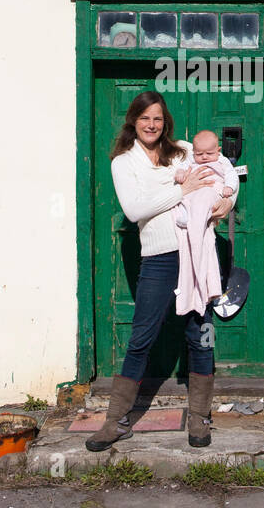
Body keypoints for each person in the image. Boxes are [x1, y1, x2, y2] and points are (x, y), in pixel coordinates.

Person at [87, 92, 234, 451]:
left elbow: (223, 170)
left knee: (200, 334)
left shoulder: (184, 150)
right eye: (144, 119)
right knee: (141, 337)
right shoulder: (124, 162)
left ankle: (199, 419)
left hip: (197, 254)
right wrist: (181, 190)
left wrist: (226, 201)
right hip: (158, 257)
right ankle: (115, 421)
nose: (151, 125)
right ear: (133, 122)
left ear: (164, 121)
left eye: (157, 118)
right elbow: (135, 209)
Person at [172, 130, 238, 317]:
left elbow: (232, 176)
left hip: (213, 190)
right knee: (186, 201)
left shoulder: (222, 161)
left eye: (209, 154)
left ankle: (196, 226)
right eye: (199, 154)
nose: (204, 158)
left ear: (218, 150)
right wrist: (180, 174)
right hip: (191, 192)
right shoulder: (190, 158)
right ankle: (188, 217)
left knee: (202, 204)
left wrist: (229, 191)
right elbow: (183, 169)